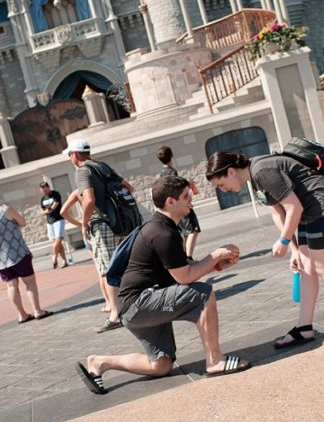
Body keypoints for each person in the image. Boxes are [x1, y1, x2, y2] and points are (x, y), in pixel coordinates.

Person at [76, 175, 250, 396]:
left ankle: (99, 363)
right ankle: (215, 361)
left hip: (135, 307)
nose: (191, 200)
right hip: (140, 304)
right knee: (203, 295)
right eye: (186, 196)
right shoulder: (162, 232)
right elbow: (185, 278)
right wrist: (215, 255)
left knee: (161, 365)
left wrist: (216, 266)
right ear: (170, 201)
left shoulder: (162, 227)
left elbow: (181, 270)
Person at [205, 149, 324, 347]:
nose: (224, 189)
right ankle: (304, 327)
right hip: (312, 211)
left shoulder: (262, 171)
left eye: (221, 184)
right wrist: (294, 250)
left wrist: (282, 240)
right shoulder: (255, 177)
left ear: (231, 171)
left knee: (323, 266)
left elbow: (293, 208)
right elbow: (277, 213)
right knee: (306, 267)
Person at [59, 139, 134, 333]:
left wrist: (84, 223)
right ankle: (134, 303)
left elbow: (89, 200)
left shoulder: (82, 171)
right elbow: (129, 188)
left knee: (108, 270)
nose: (70, 158)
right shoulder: (102, 166)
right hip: (122, 223)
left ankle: (115, 314)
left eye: (69, 155)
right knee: (125, 264)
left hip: (102, 225)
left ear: (75, 154)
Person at [0, 187, 53, 324]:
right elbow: (23, 222)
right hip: (18, 253)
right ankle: (37, 311)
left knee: (11, 286)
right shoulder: (6, 210)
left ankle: (22, 314)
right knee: (29, 282)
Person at [157, 145, 201, 258]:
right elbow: (177, 188)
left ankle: (184, 256)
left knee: (185, 232)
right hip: (180, 205)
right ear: (172, 156)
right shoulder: (172, 172)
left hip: (173, 207)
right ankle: (188, 257)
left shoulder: (162, 174)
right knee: (193, 229)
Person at [38, 181, 67, 269]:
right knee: (58, 243)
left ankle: (54, 256)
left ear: (48, 187)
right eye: (43, 190)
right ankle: (64, 261)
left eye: (45, 189)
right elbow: (41, 211)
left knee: (58, 240)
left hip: (58, 219)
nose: (45, 191)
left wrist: (49, 209)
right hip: (49, 222)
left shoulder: (55, 194)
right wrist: (46, 211)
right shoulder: (43, 199)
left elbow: (55, 204)